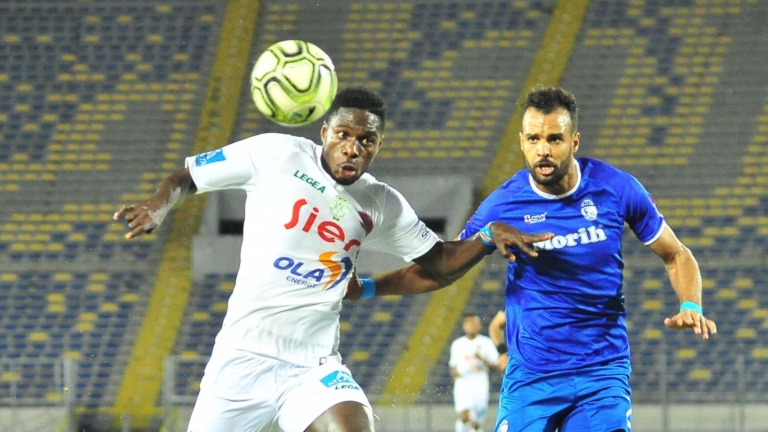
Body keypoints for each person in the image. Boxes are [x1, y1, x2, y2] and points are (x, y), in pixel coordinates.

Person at [113, 87, 551, 432]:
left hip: (313, 365)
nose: (353, 148)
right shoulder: (274, 154)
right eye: (343, 135)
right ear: (324, 132)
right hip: (241, 358)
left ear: (377, 146)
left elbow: (439, 263)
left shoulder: (380, 202)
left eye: (366, 140)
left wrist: (487, 237)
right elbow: (188, 177)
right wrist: (157, 206)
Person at [347, 86, 717, 432]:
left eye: (554, 139)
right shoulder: (503, 205)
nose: (543, 150)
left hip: (602, 372)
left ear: (573, 142)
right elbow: (443, 268)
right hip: (532, 377)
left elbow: (676, 254)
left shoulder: (615, 188)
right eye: (534, 139)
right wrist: (366, 288)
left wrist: (690, 303)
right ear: (522, 142)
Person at [449, 313, 501, 432]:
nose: (470, 326)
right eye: (468, 323)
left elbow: (497, 366)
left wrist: (482, 360)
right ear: (464, 326)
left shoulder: (486, 342)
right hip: (462, 384)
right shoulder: (457, 344)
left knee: (476, 423)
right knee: (464, 415)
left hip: (480, 385)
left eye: (473, 323)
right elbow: (452, 368)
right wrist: (457, 372)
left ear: (479, 326)